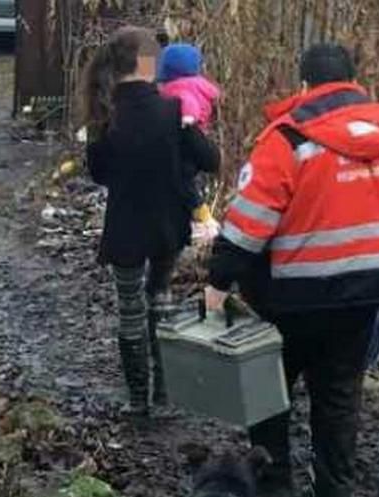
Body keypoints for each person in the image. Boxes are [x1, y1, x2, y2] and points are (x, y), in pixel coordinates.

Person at [205, 43, 379, 497]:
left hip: (291, 294)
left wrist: (219, 283)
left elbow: (248, 224)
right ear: (356, 81)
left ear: (304, 87)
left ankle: (274, 484)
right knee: (339, 389)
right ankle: (334, 492)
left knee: (268, 385)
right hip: (366, 294)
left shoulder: (288, 140)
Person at [83, 26, 220, 417]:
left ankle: (137, 399)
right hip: (166, 226)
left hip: (124, 227)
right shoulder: (173, 111)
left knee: (129, 310)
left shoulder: (103, 115)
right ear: (148, 65)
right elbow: (210, 160)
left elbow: (100, 174)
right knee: (159, 302)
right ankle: (163, 397)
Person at [157, 42, 223, 240]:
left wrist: (187, 119)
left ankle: (203, 220)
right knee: (187, 181)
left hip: (188, 131)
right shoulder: (197, 84)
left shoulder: (180, 88)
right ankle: (198, 220)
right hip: (197, 135)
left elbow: (188, 102)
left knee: (183, 181)